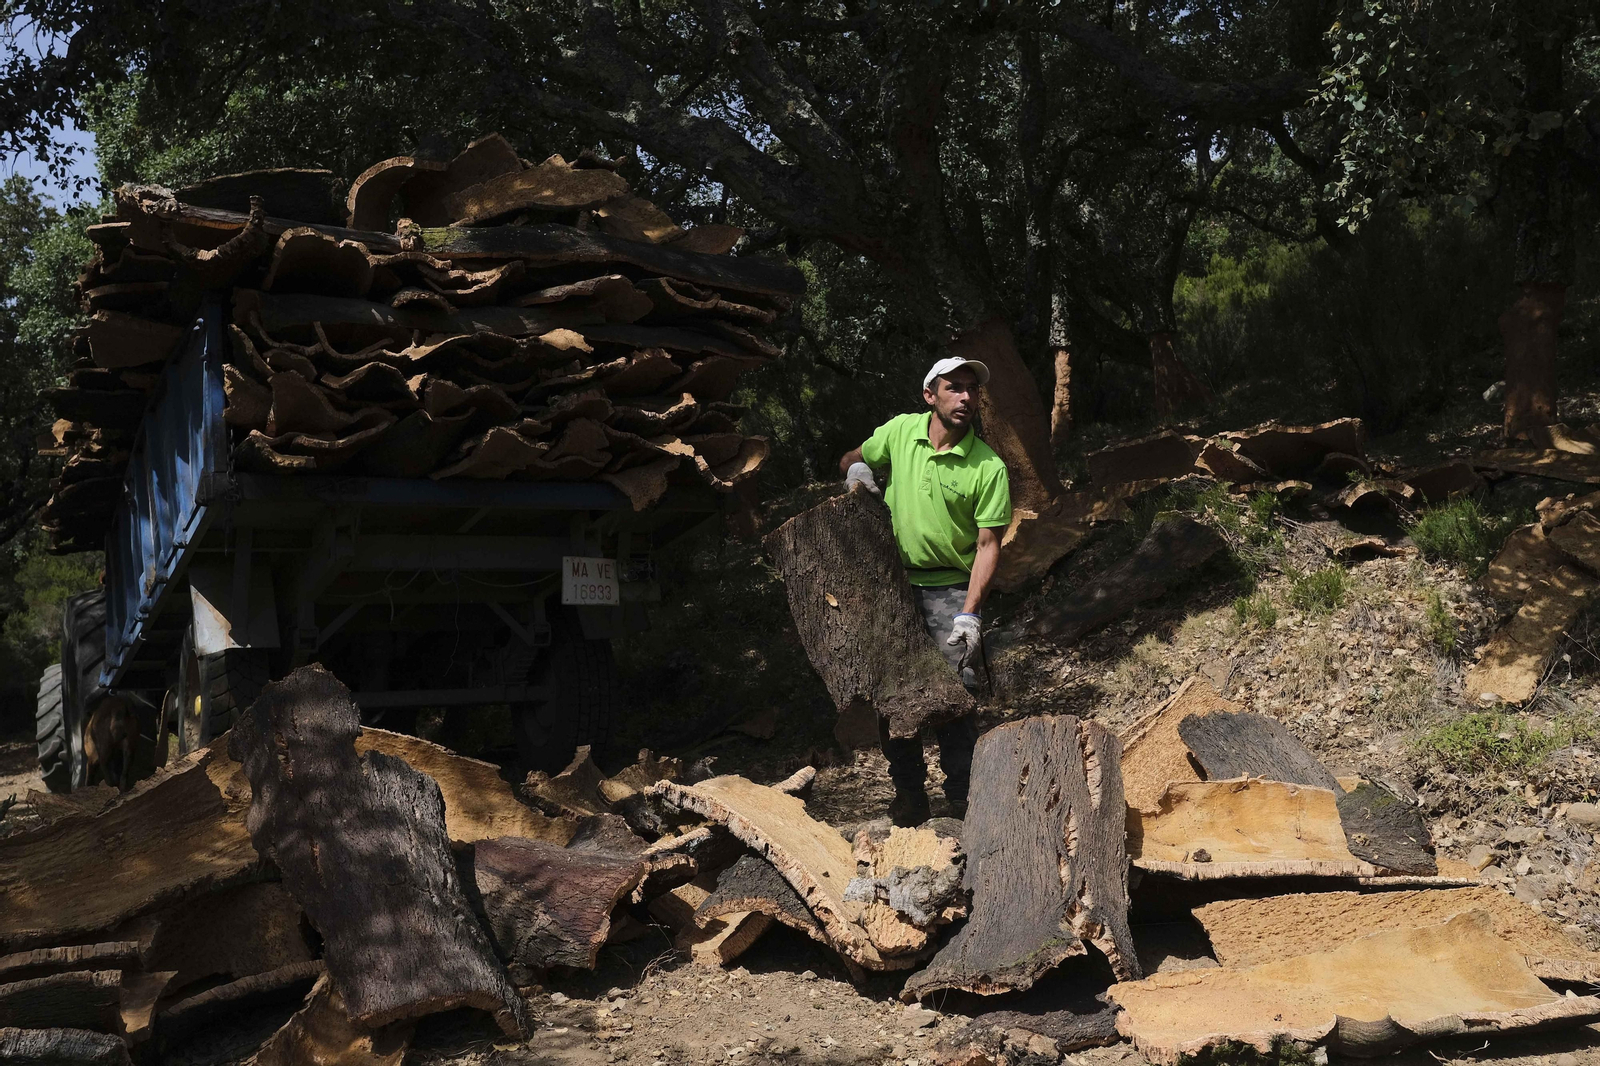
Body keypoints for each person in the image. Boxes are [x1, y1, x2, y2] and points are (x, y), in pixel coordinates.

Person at [838, 356, 1011, 826]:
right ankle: (909, 797)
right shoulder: (899, 432)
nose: (967, 397)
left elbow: (988, 544)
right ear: (929, 395)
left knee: (956, 699)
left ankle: (962, 801)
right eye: (955, 388)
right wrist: (857, 473)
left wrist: (970, 613)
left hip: (951, 590)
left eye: (973, 389)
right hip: (890, 587)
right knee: (894, 698)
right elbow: (851, 457)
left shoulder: (987, 465)